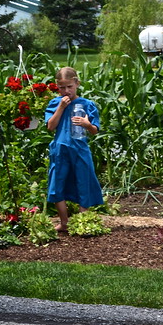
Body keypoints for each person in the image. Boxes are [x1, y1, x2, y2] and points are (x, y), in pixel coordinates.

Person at [45, 67, 104, 232]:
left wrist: (87, 124)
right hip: (60, 150)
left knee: (83, 183)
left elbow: (94, 130)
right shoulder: (55, 103)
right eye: (62, 88)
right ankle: (64, 223)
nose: (66, 91)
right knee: (57, 185)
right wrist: (61, 108)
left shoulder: (87, 104)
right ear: (57, 87)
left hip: (80, 150)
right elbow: (50, 126)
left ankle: (82, 223)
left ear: (77, 84)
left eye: (69, 87)